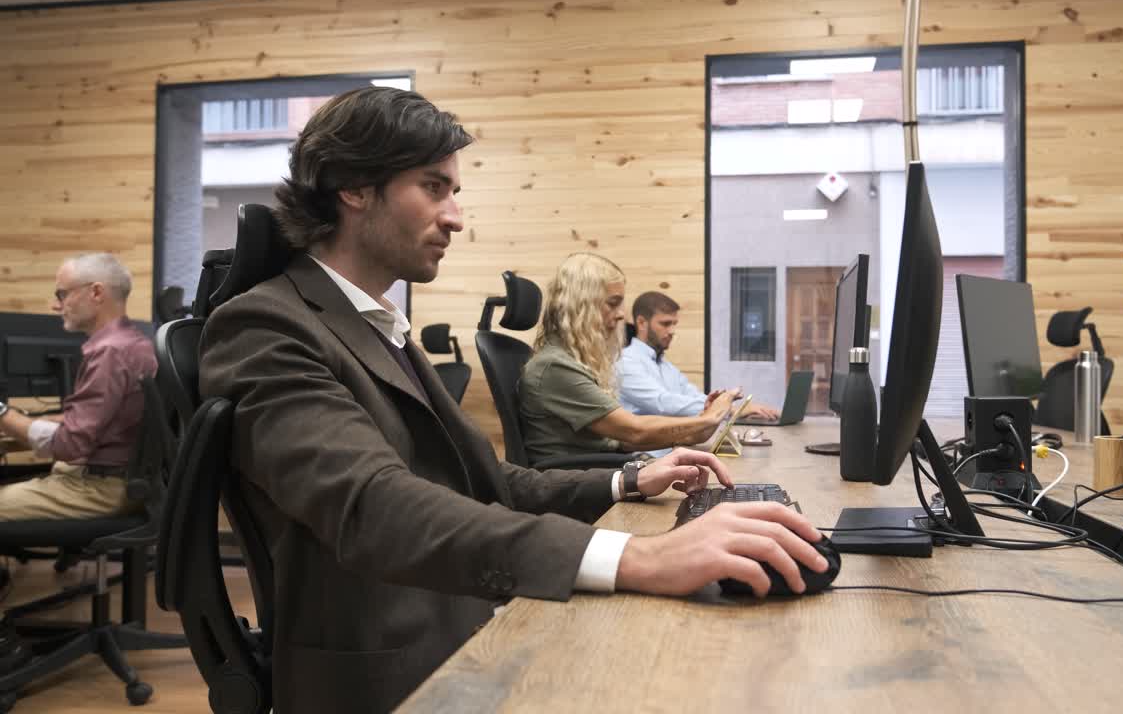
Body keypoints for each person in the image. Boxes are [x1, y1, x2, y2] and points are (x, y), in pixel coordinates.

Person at [199, 87, 828, 714]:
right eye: (433, 188)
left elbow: (482, 480)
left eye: (454, 192)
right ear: (354, 187)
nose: (455, 217)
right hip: (395, 667)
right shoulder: (265, 326)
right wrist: (639, 555)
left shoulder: (372, 322)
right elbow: (372, 506)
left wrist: (625, 482)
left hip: (465, 613)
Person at [519, 253, 736, 462]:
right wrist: (709, 418)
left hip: (603, 467)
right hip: (581, 480)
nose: (622, 314)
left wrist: (699, 427)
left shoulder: (573, 362)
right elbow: (633, 431)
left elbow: (624, 436)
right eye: (613, 303)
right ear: (582, 305)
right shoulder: (555, 366)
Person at [0, 253, 155, 521]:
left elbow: (70, 444)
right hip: (122, 482)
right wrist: (29, 421)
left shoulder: (110, 353)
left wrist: (3, 413)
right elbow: (93, 421)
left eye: (62, 294)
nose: (55, 305)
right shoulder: (131, 343)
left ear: (95, 292)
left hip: (100, 489)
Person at [618, 291, 781, 422]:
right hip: (645, 457)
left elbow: (695, 397)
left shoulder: (666, 366)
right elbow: (662, 402)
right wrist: (729, 409)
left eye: (674, 324)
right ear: (641, 323)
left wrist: (734, 409)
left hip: (673, 447)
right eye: (666, 324)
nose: (672, 331)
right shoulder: (625, 362)